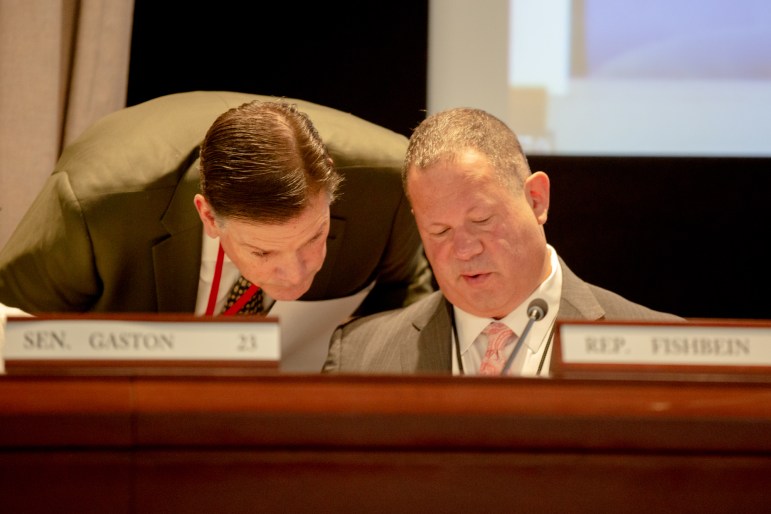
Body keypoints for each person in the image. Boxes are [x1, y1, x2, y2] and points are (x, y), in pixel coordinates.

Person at [0, 91, 433, 371]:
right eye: (262, 253)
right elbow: (12, 329)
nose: (295, 276)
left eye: (313, 238)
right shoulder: (94, 208)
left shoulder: (392, 189)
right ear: (208, 216)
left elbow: (405, 313)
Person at [323, 107, 683, 376]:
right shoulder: (356, 358)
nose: (464, 249)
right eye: (439, 231)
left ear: (536, 200)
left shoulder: (664, 350)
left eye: (481, 221)